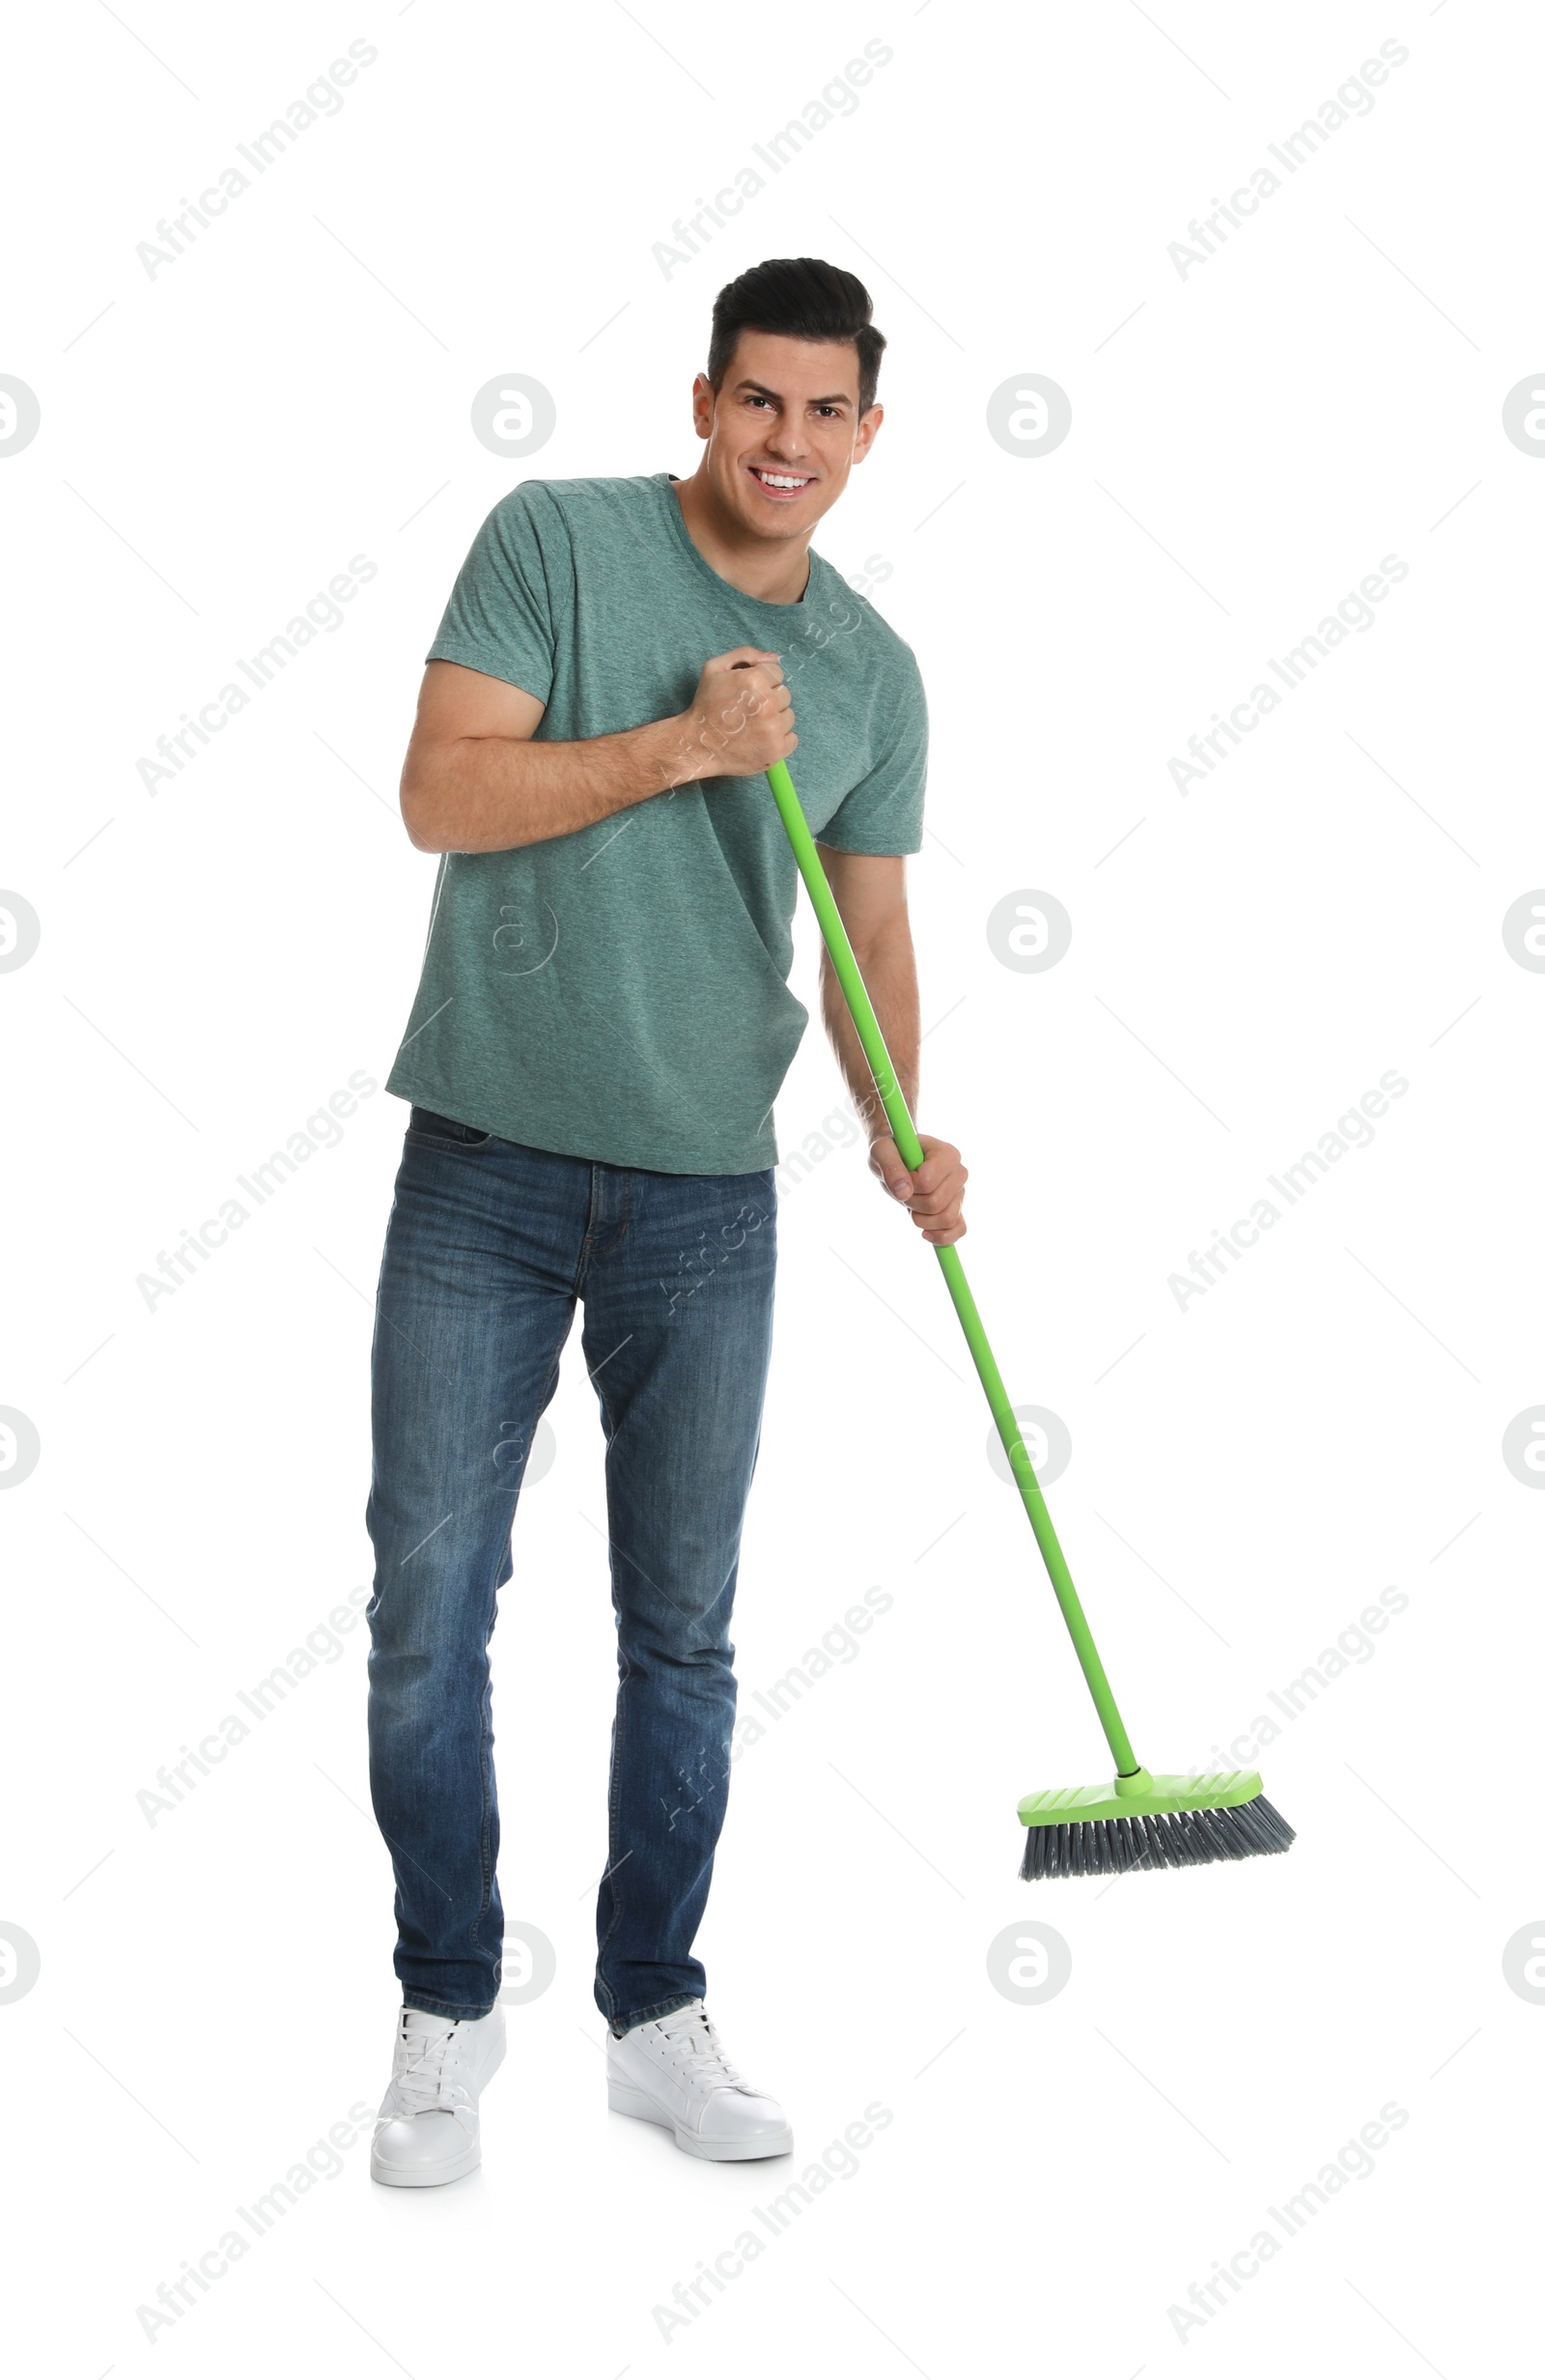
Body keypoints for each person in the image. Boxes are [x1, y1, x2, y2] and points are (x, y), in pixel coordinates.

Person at [364, 256, 969, 2188]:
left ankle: (651, 2012)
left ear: (867, 433)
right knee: (427, 1609)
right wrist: (685, 748)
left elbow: (868, 925)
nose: (785, 443)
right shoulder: (554, 539)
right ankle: (446, 2003)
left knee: (685, 1630)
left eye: (824, 412)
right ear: (701, 398)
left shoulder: (872, 670)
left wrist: (899, 1117)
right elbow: (439, 796)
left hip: (710, 1186)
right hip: (486, 1155)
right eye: (755, 401)